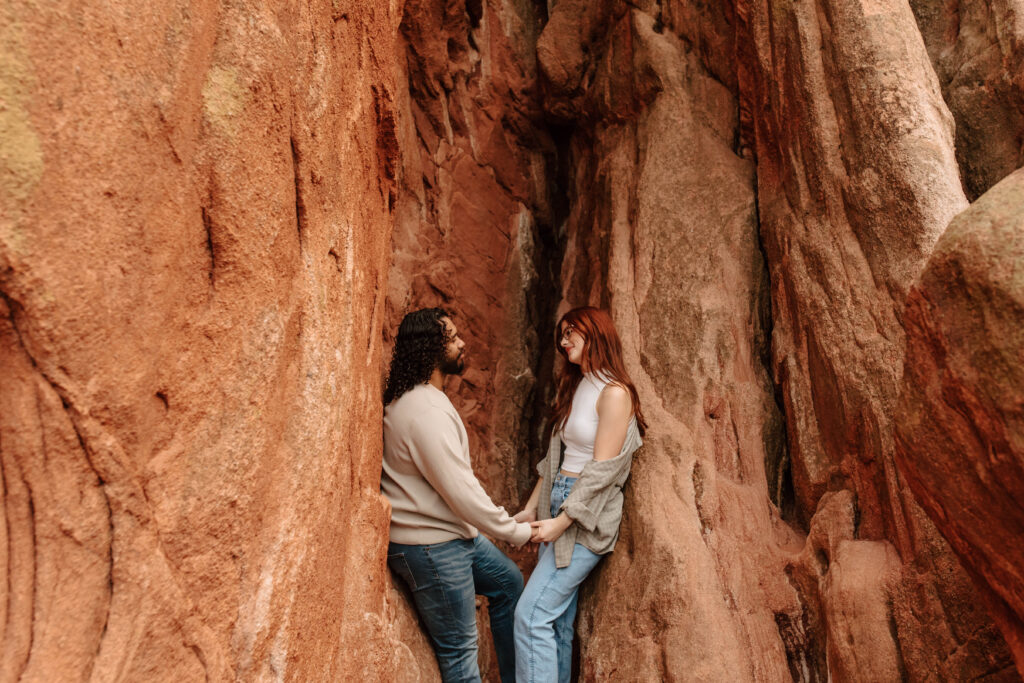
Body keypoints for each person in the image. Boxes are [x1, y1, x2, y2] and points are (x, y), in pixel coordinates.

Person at [382, 307, 534, 683]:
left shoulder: (422, 398)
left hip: (451, 536)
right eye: (452, 339)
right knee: (461, 653)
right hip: (431, 547)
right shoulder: (424, 412)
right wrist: (515, 532)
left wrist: (503, 522)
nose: (462, 343)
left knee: (508, 584)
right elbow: (461, 492)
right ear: (432, 349)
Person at [513, 306, 647, 683]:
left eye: (572, 332)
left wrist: (562, 521)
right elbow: (556, 457)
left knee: (531, 616)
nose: (563, 340)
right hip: (558, 499)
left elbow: (600, 473)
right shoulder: (578, 384)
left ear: (596, 334)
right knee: (556, 624)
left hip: (584, 514)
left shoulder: (615, 394)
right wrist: (531, 509)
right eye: (562, 333)